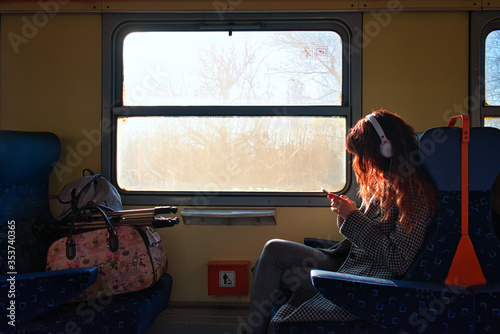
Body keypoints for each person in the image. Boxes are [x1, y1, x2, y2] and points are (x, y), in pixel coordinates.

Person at [244, 110, 439, 334]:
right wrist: (349, 213)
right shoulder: (388, 184)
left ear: (386, 149)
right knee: (268, 260)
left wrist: (353, 217)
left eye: (363, 154)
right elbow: (370, 232)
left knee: (273, 253)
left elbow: (398, 261)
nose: (360, 162)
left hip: (367, 277)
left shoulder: (413, 194)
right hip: (353, 264)